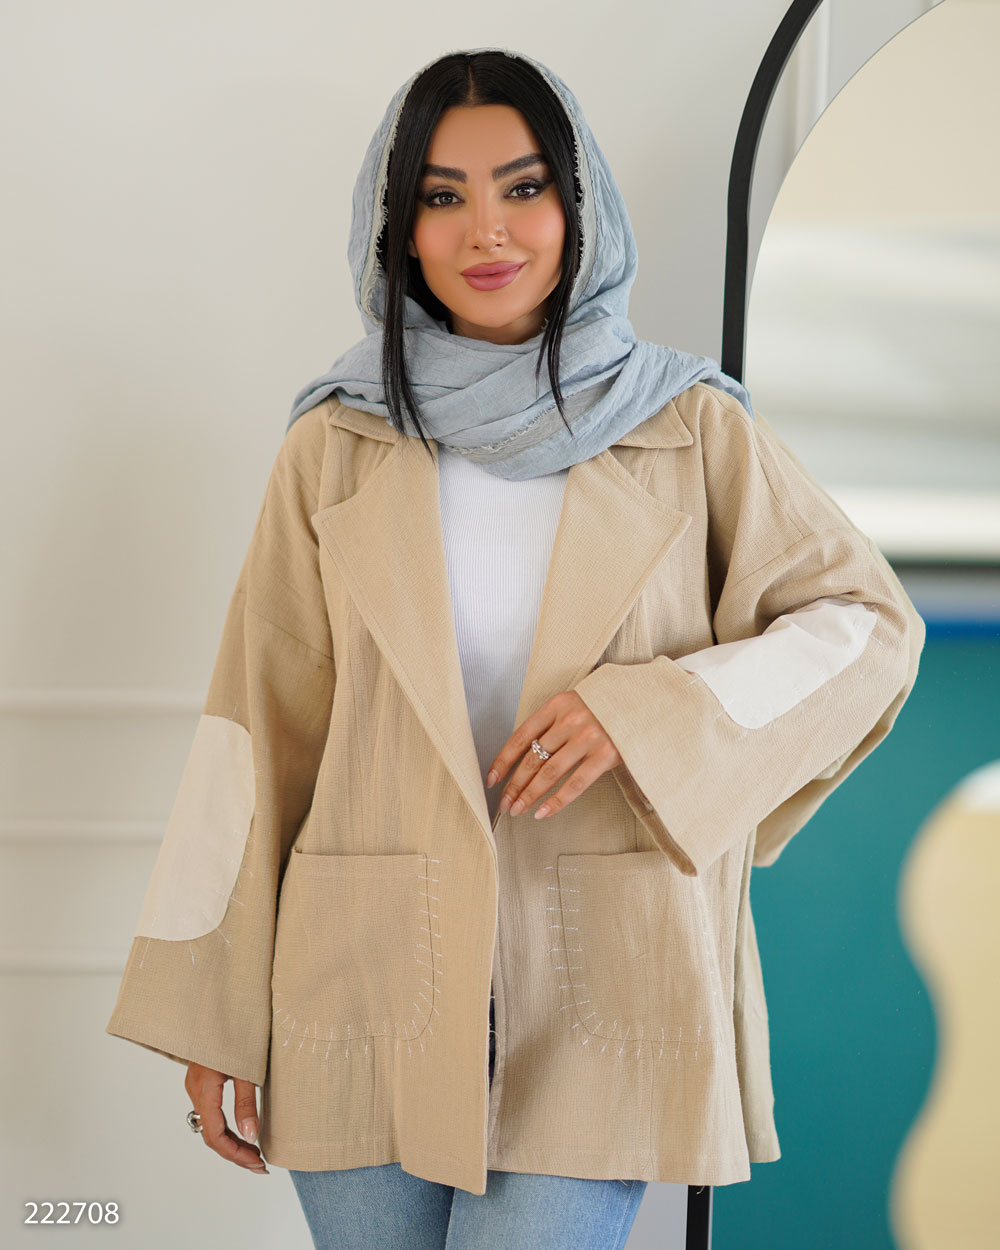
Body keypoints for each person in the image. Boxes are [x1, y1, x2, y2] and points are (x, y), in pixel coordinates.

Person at [106, 47, 925, 1250]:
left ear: (579, 204)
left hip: (609, 973)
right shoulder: (336, 443)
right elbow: (257, 722)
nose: (486, 230)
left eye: (523, 187)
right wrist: (214, 1013)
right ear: (397, 229)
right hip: (364, 974)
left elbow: (864, 627)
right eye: (441, 196)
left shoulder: (688, 426)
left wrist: (645, 713)